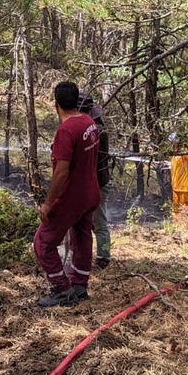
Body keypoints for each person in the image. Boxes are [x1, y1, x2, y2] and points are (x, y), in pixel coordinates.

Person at [33, 81, 101, 308]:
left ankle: (62, 290)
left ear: (56, 105)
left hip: (71, 198)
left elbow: (62, 172)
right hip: (90, 193)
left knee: (43, 242)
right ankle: (80, 285)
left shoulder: (66, 131)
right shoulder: (89, 123)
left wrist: (48, 203)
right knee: (82, 236)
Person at [78, 93, 111, 268]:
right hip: (94, 182)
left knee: (99, 222)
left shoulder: (97, 131)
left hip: (99, 182)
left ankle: (104, 257)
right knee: (91, 222)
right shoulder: (96, 129)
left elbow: (94, 161)